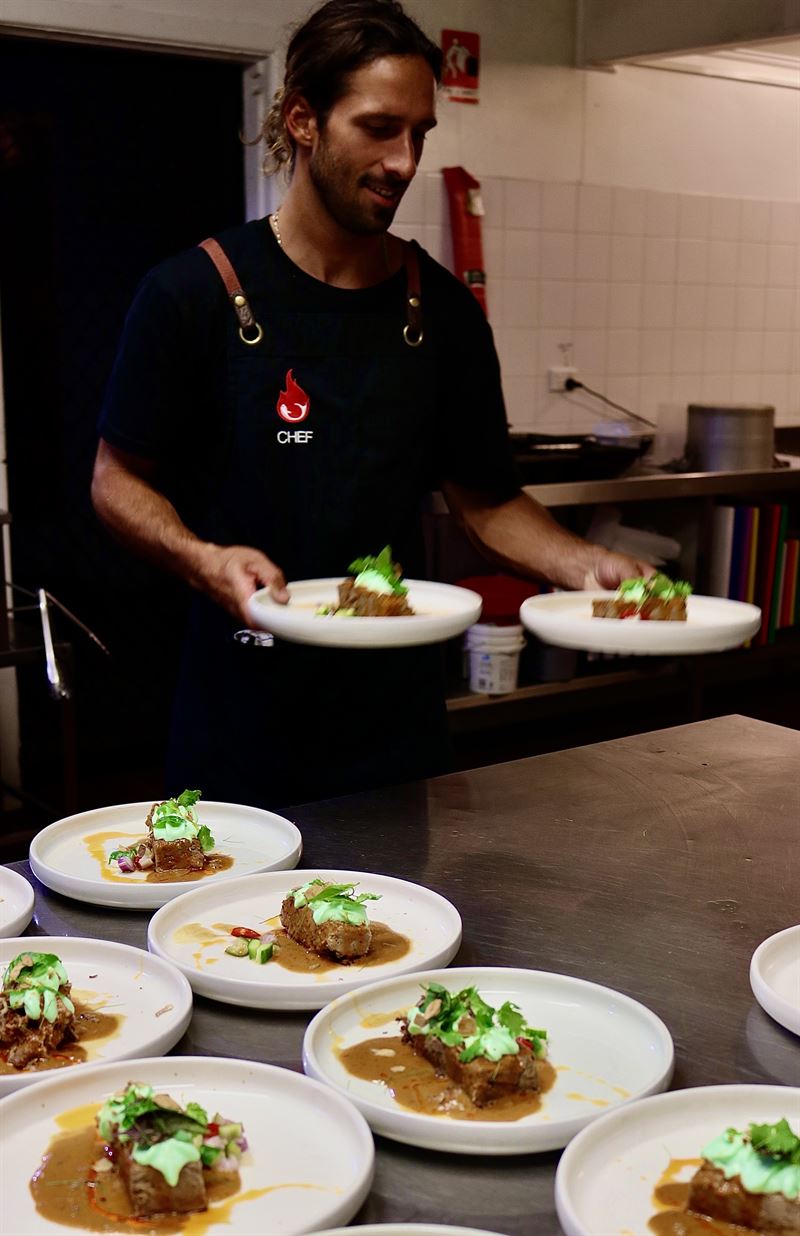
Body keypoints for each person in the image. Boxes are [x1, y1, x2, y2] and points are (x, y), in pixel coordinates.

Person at [91, 0, 650, 809]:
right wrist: (203, 560)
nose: (404, 161)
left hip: (393, 723)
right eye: (380, 128)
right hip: (240, 714)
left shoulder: (442, 311)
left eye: (420, 134)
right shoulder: (192, 293)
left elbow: (487, 500)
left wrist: (585, 567)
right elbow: (115, 480)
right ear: (303, 119)